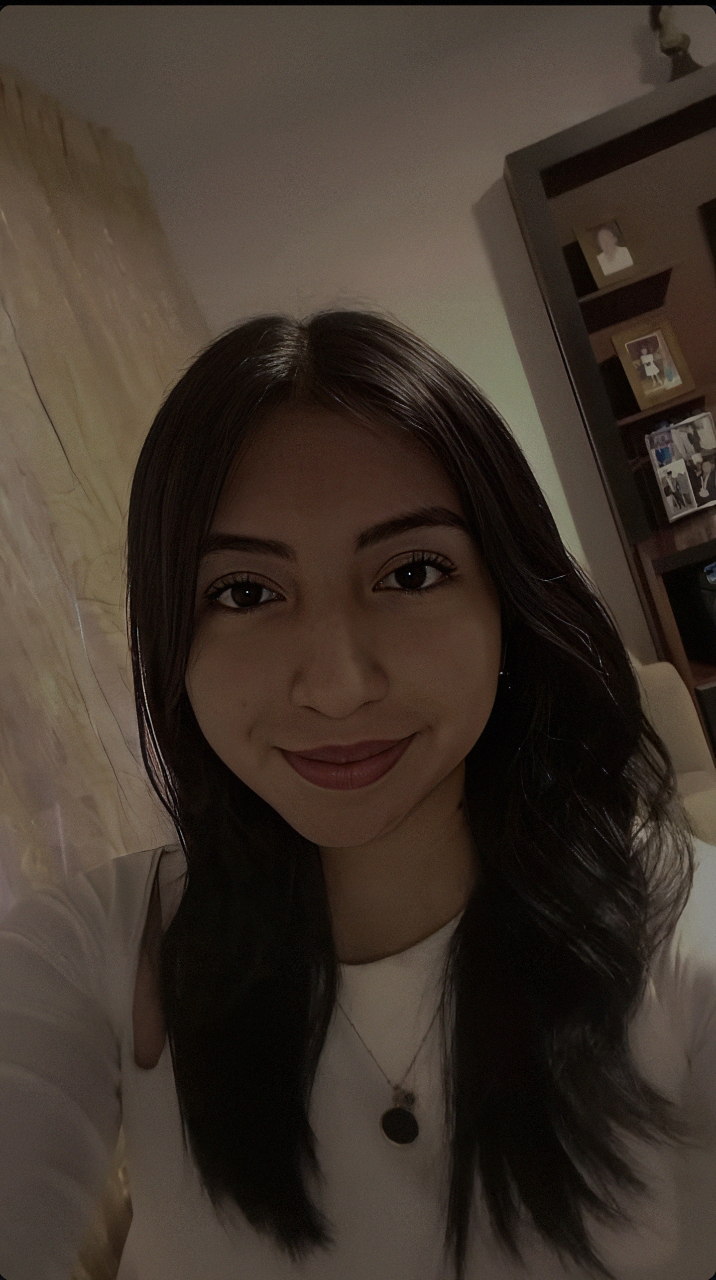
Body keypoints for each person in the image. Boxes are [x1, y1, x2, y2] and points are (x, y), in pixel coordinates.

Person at [1, 308, 715, 1280]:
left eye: (410, 573)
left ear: (507, 603)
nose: (337, 686)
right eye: (245, 592)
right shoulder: (93, 954)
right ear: (174, 639)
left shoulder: (683, 942)